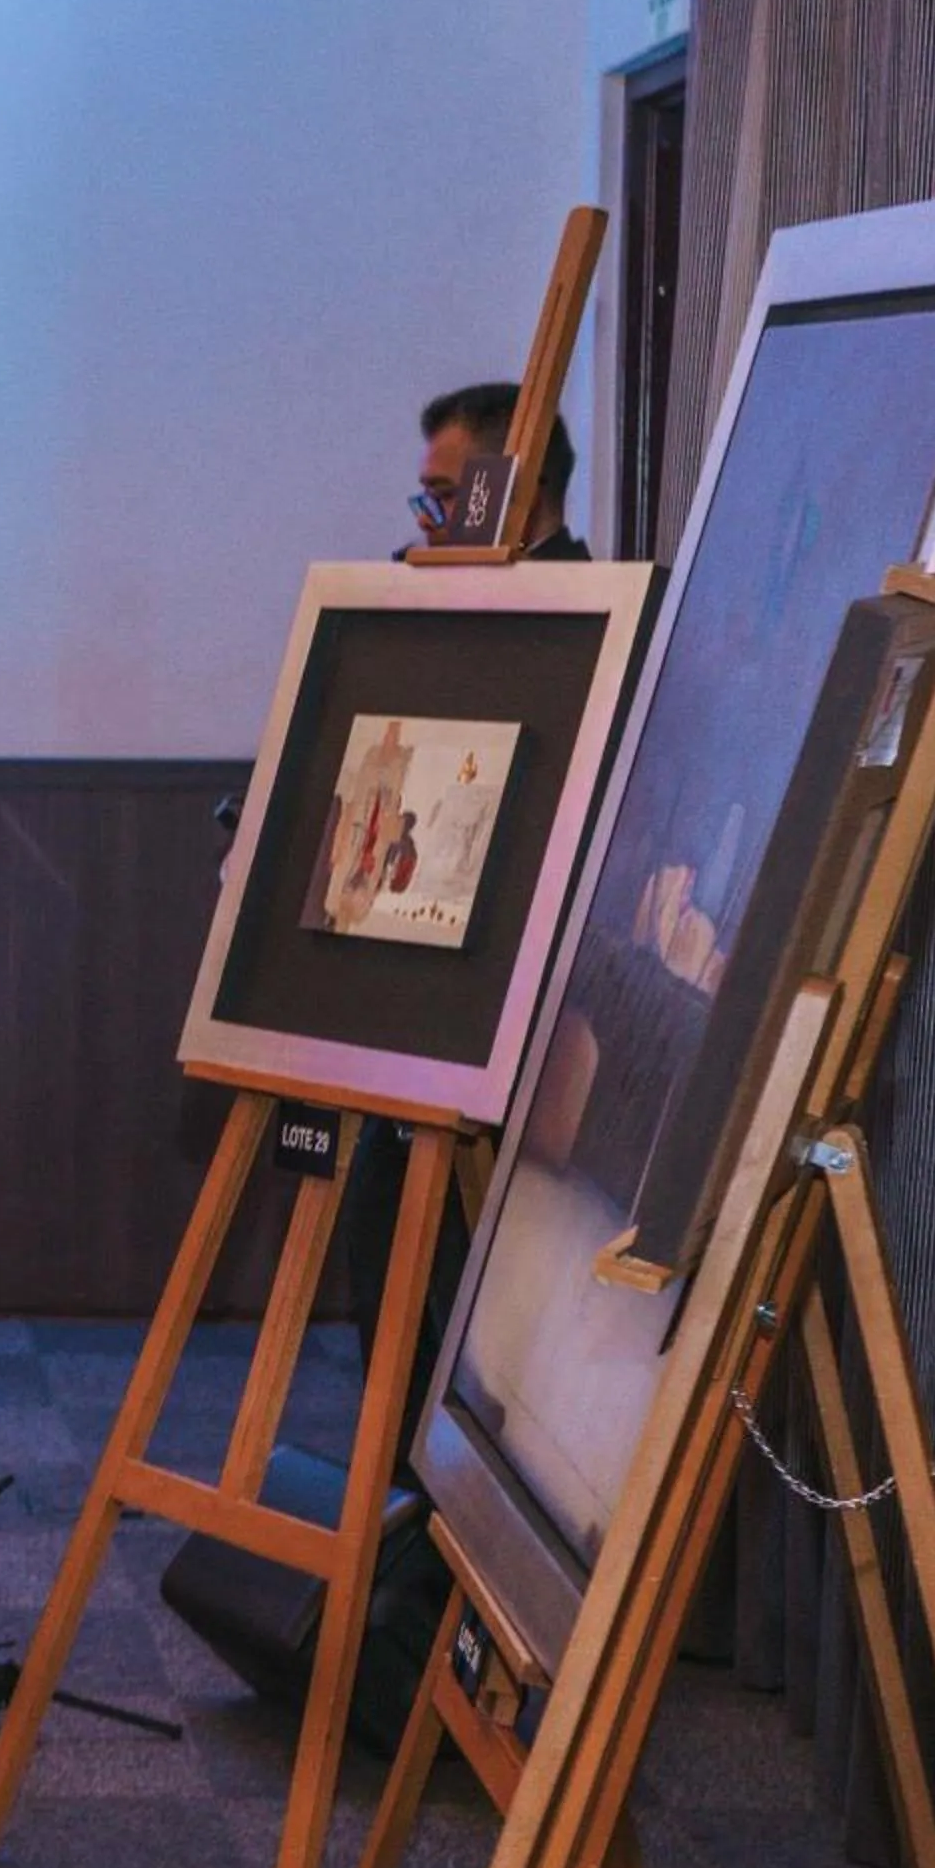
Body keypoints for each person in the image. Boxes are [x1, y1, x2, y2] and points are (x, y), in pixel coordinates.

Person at [348, 380, 595, 1460]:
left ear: (518, 481)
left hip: (510, 1053)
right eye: (425, 504)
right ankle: (400, 1565)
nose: (430, 527)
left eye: (448, 496)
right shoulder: (450, 609)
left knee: (476, 1354)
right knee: (388, 1318)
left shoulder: (586, 619)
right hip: (405, 1023)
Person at [410, 382, 591, 559]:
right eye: (427, 498)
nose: (424, 520)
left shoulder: (573, 588)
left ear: (522, 494)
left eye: (444, 494)